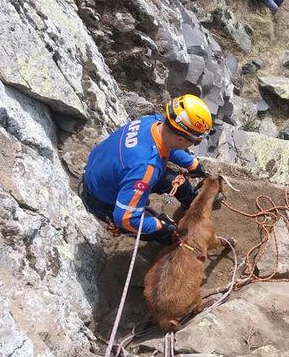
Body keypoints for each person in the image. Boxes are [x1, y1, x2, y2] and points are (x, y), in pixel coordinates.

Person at [80, 94, 212, 244]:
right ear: (182, 139)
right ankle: (166, 236)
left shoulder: (153, 122)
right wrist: (159, 225)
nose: (191, 145)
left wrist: (191, 164)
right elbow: (126, 219)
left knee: (179, 184)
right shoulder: (145, 169)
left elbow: (169, 145)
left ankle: (192, 202)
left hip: (107, 170)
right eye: (194, 142)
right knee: (164, 231)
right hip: (104, 199)